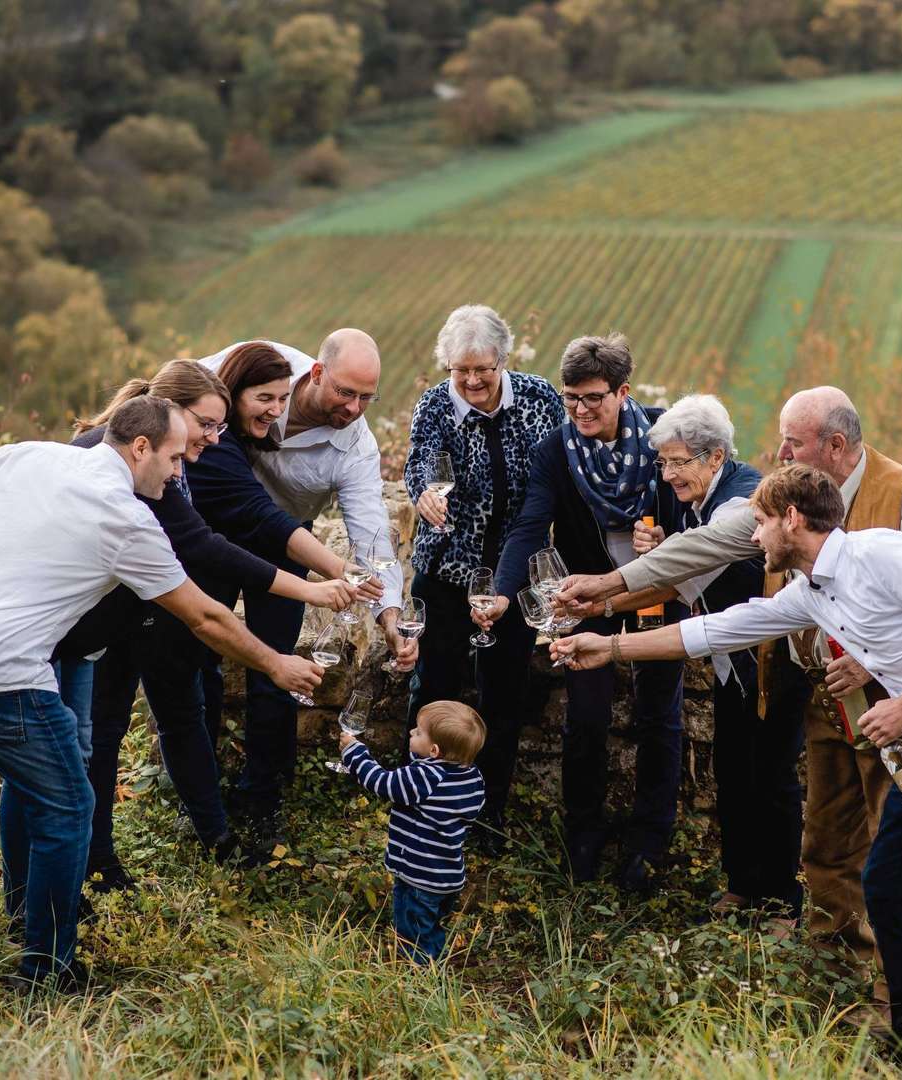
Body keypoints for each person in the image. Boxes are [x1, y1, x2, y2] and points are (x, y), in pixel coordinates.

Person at [552, 463, 902, 1068]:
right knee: (888, 887)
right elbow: (716, 630)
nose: (753, 539)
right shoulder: (809, 592)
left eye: (759, 523)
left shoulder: (882, 553)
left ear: (791, 518)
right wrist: (610, 646)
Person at [556, 386, 902, 992]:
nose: (778, 452)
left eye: (793, 441)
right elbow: (713, 582)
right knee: (828, 850)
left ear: (835, 445)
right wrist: (610, 595)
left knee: (901, 864)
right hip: (824, 705)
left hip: (901, 714)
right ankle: (836, 980)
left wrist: (869, 657)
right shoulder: (788, 506)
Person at [0, 397, 322, 989]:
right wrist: (275, 664)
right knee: (69, 811)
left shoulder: (22, 455)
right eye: (174, 458)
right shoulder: (124, 516)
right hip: (1, 673)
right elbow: (207, 619)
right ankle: (47, 971)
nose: (179, 473)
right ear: (139, 447)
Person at [52, 360, 356, 892]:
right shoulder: (121, 456)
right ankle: (98, 861)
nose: (215, 439)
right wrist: (308, 587)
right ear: (168, 412)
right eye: (207, 425)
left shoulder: (175, 455)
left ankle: (213, 836)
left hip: (155, 608)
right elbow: (203, 545)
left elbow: (211, 539)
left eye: (221, 427)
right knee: (98, 737)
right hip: (101, 619)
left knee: (182, 716)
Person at [562, 394, 801, 926]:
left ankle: (784, 901)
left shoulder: (745, 500)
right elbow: (679, 573)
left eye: (678, 462)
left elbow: (700, 553)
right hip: (730, 659)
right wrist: (596, 603)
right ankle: (743, 885)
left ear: (715, 456)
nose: (667, 474)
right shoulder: (700, 499)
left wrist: (605, 587)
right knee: (734, 770)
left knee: (774, 778)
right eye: (663, 462)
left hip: (770, 662)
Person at [472, 334, 687, 894]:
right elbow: (529, 526)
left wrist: (669, 538)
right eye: (571, 398)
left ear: (623, 392)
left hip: (656, 594)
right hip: (584, 599)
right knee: (585, 719)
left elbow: (698, 512)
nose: (581, 410)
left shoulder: (666, 437)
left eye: (594, 397)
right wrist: (501, 589)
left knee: (659, 718)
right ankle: (583, 837)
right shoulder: (555, 452)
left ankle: (649, 842)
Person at [189, 338, 411, 846]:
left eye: (366, 399)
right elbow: (175, 391)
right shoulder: (259, 369)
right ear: (314, 373)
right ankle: (199, 788)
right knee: (199, 656)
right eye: (345, 392)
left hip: (290, 542)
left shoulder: (355, 445)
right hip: (211, 527)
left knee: (279, 668)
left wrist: (390, 613)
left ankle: (262, 797)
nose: (353, 409)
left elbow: (372, 534)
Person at [402, 305, 563, 846]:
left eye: (482, 369)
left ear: (504, 360)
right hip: (446, 570)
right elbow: (421, 461)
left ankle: (485, 812)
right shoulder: (435, 405)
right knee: (435, 685)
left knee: (502, 693)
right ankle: (423, 800)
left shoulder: (540, 398)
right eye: (459, 370)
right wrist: (424, 491)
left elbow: (561, 467)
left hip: (514, 572)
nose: (470, 381)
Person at [338, 701, 487, 964]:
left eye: (418, 732)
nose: (410, 733)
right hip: (446, 876)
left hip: (418, 876)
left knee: (412, 934)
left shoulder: (425, 778)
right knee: (429, 928)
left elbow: (383, 783)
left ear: (434, 750)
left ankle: (417, 980)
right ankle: (433, 959)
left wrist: (354, 753)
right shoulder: (472, 776)